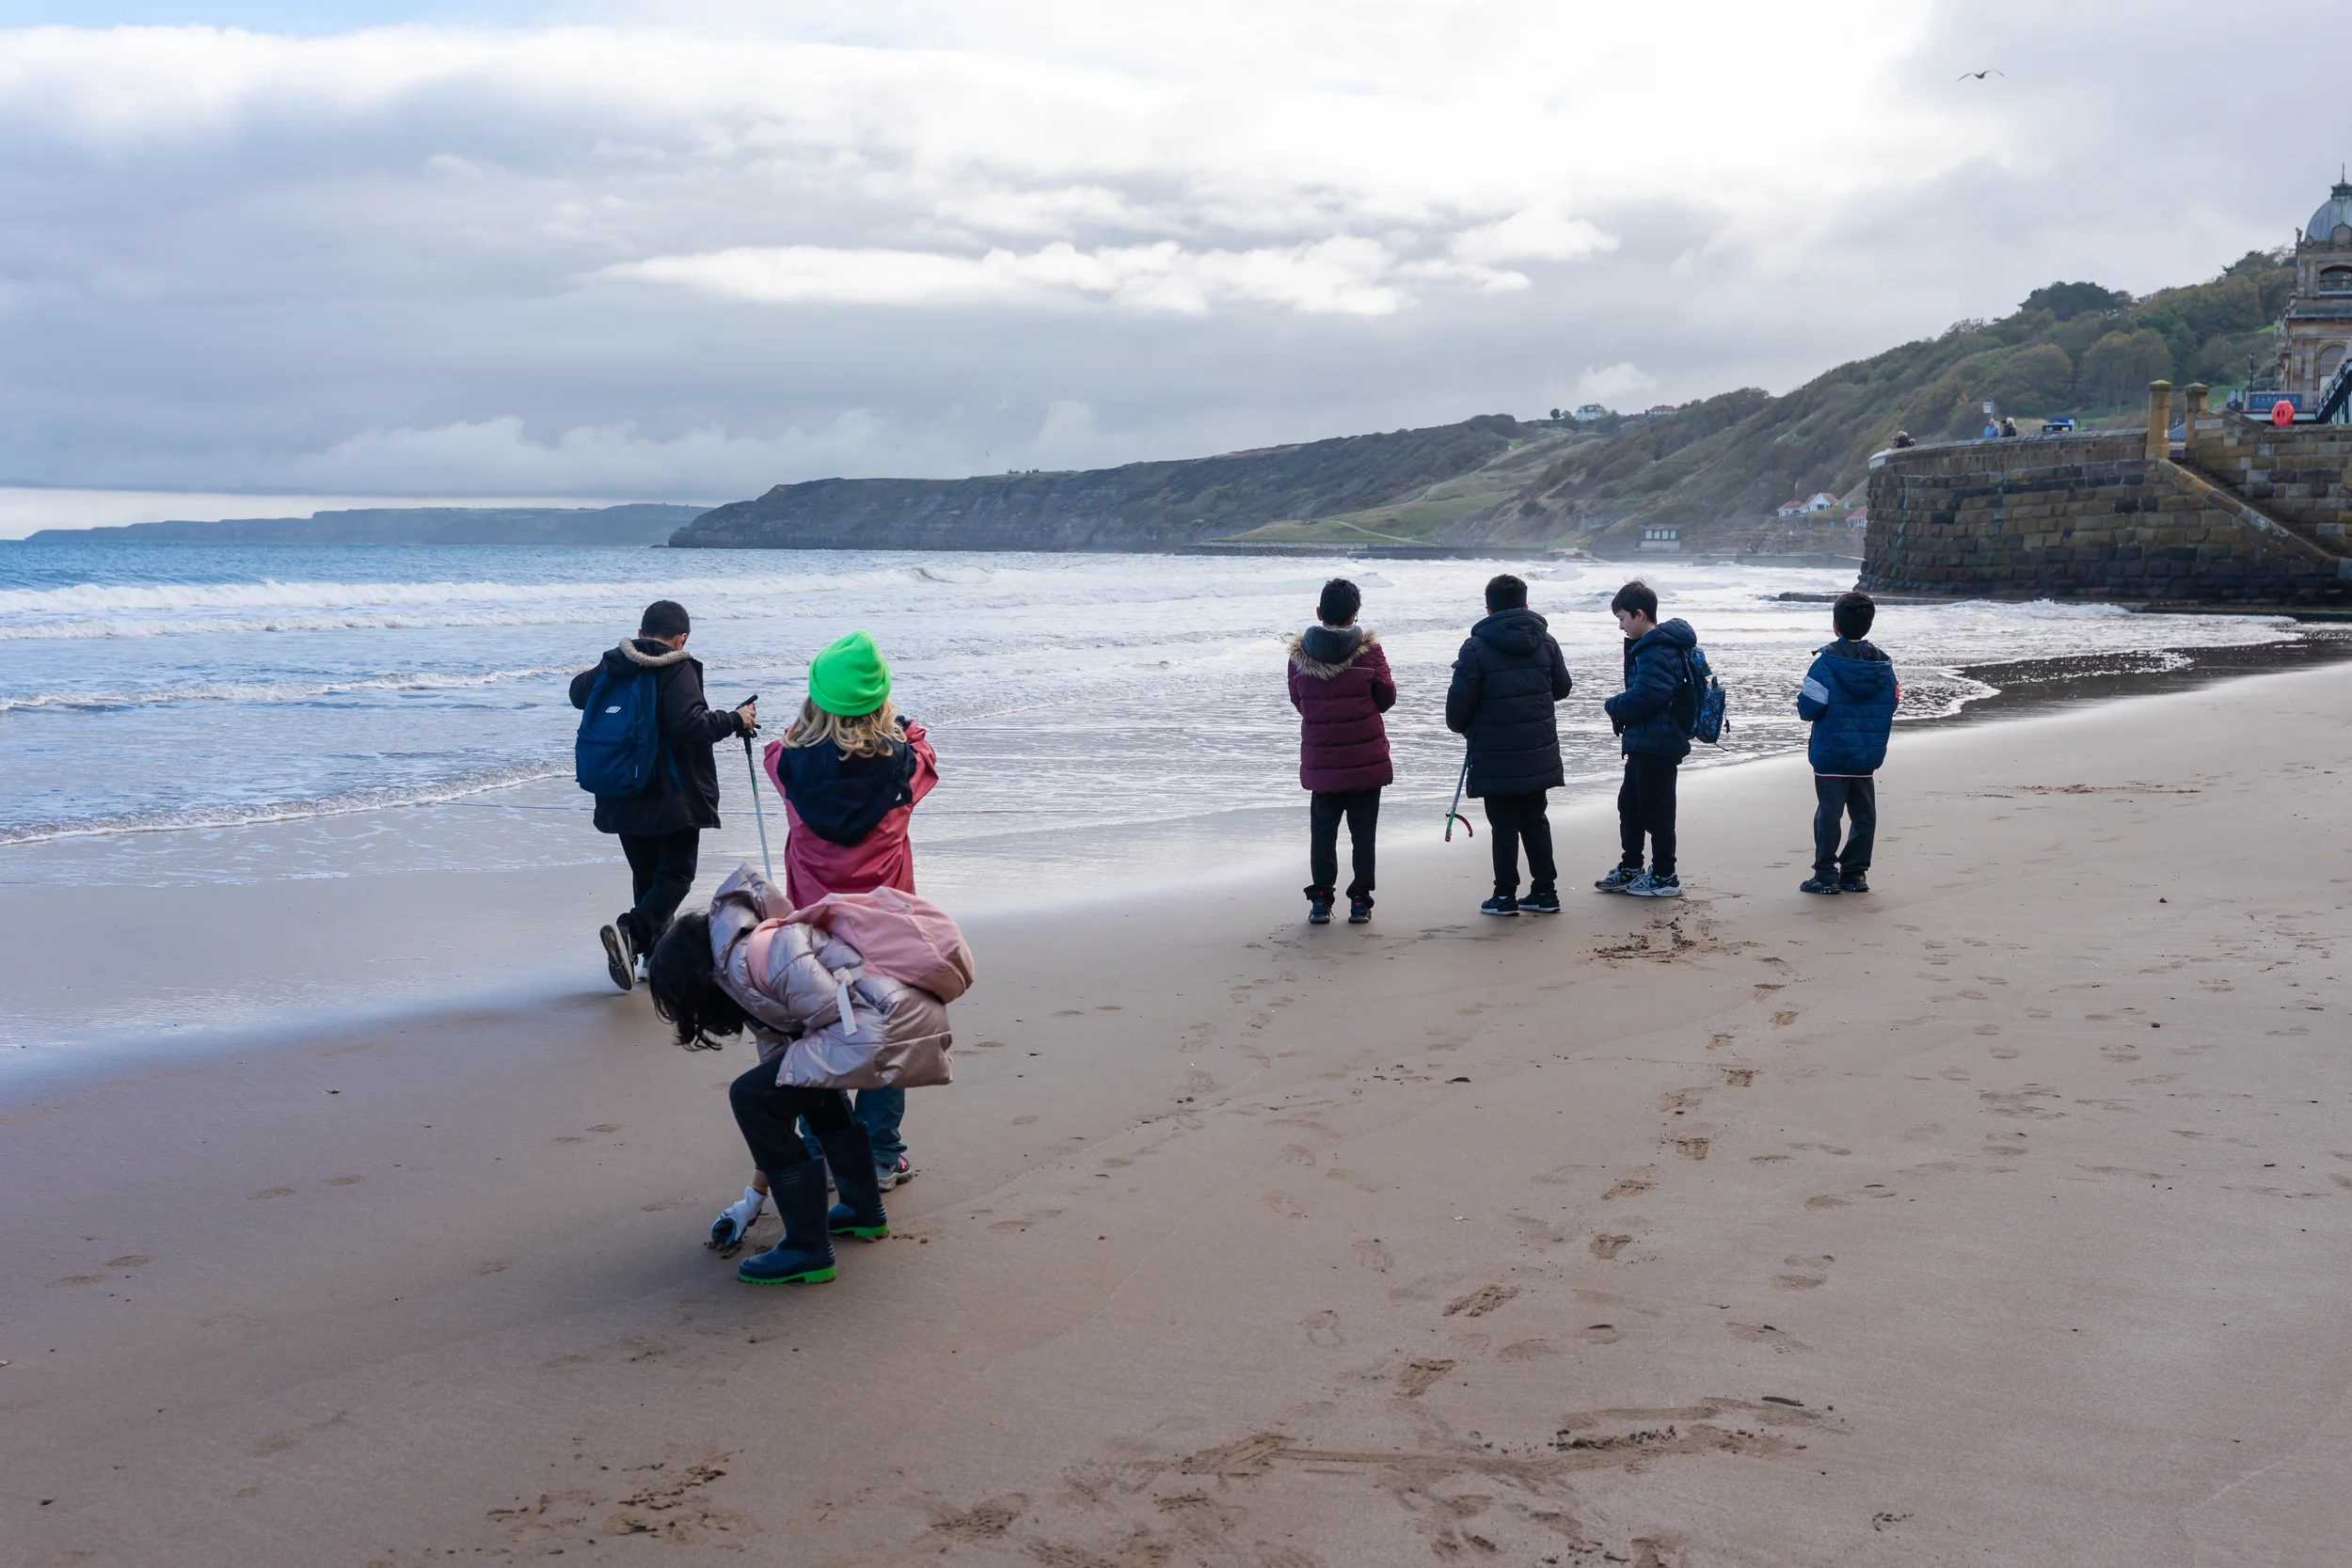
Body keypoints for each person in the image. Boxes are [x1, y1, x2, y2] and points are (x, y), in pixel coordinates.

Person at [569, 599, 755, 991]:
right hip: (669, 792)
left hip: (618, 788)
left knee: (648, 874)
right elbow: (690, 726)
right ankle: (632, 934)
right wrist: (735, 719)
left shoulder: (615, 663)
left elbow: (577, 694)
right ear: (682, 638)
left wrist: (610, 664)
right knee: (675, 875)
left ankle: (654, 959)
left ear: (640, 633)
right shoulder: (677, 666)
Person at [1444, 574, 1572, 917]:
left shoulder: (1475, 648)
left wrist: (1462, 725)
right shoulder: (1546, 641)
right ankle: (1545, 891)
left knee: (1503, 823)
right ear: (1526, 604)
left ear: (1488, 609)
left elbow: (1458, 707)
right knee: (1535, 817)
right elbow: (1562, 688)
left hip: (1494, 750)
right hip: (1537, 748)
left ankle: (1505, 895)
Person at [1288, 578, 1395, 926]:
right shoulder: (1369, 651)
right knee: (1363, 832)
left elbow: (1300, 702)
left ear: (1319, 612)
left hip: (1323, 760)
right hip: (1365, 759)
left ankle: (1320, 899)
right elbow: (1386, 698)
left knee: (1323, 831)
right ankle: (1360, 900)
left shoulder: (1300, 656)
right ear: (1355, 615)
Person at [1597, 580, 1697, 899]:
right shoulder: (1654, 646)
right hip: (1646, 741)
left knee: (1657, 811)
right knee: (1631, 805)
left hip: (1658, 742)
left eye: (1622, 619)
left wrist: (1612, 705)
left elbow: (1647, 696)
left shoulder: (1656, 650)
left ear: (1639, 615)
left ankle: (1665, 874)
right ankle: (1632, 867)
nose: (1621, 627)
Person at [1797, 591, 1899, 895]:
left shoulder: (1825, 664)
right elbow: (1892, 702)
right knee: (1864, 813)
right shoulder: (1883, 664)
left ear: (1835, 624)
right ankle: (1854, 873)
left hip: (1831, 751)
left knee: (1829, 811)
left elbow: (1810, 709)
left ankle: (1826, 874)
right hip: (1867, 752)